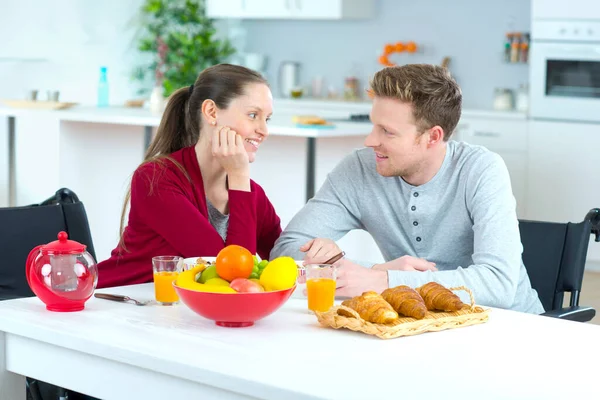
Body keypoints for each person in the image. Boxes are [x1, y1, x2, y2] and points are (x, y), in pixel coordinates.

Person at [270, 64, 544, 314]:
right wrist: (377, 271)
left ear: (432, 137)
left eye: (387, 132)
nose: (370, 140)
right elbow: (284, 252)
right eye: (373, 125)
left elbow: (498, 285)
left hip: (507, 327)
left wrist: (384, 280)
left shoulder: (481, 170)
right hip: (417, 324)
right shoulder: (359, 169)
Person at [97, 64, 281, 288]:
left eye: (267, 119)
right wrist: (239, 176)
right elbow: (229, 274)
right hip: (110, 304)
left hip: (178, 315)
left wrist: (321, 255)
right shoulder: (155, 179)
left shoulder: (250, 193)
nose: (264, 130)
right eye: (253, 115)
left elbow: (282, 259)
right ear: (211, 112)